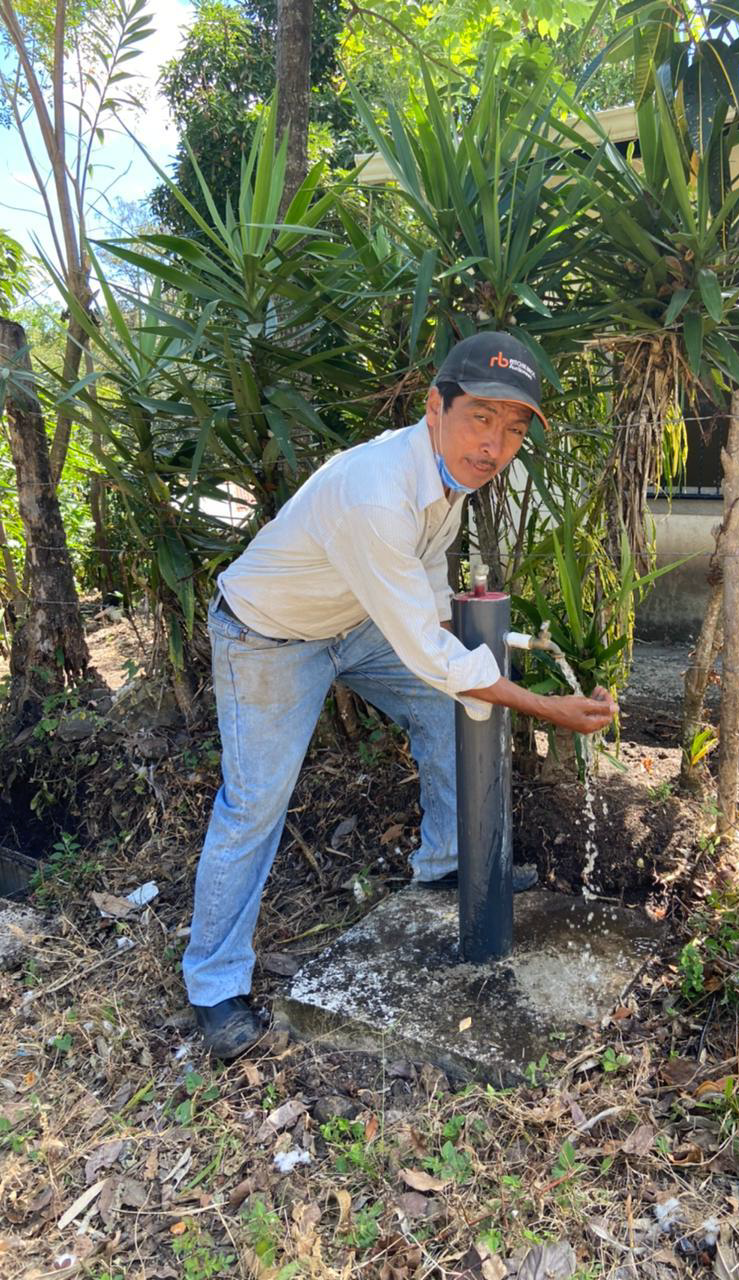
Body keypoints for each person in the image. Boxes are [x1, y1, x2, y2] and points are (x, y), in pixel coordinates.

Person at [184, 331, 618, 1057]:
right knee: (255, 801)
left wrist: (476, 622)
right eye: (481, 417)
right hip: (267, 636)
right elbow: (425, 647)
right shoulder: (376, 492)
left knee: (442, 703)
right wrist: (546, 707)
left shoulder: (447, 481)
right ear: (435, 406)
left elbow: (424, 584)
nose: (495, 444)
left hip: (352, 621)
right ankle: (214, 987)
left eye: (513, 430)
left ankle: (449, 860)